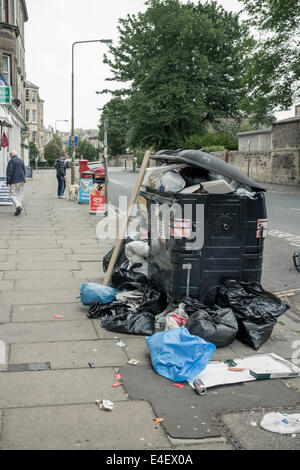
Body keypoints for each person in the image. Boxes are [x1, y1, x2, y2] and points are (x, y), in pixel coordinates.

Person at [6, 150, 26, 216]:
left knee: (12, 194)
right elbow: (24, 171)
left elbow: (9, 172)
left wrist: (8, 181)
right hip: (22, 180)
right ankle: (19, 207)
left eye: (9, 155)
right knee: (20, 194)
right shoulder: (21, 160)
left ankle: (18, 206)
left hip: (14, 180)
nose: (9, 156)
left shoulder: (11, 161)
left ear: (11, 155)